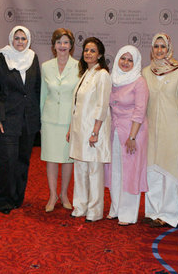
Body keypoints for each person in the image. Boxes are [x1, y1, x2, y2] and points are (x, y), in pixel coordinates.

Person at [0, 26, 41, 214]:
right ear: (11, 39)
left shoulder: (32, 58)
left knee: (23, 161)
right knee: (7, 161)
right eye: (17, 38)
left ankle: (18, 198)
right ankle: (3, 200)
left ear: (28, 40)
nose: (20, 42)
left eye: (23, 39)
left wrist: (36, 119)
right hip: (6, 120)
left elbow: (36, 89)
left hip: (28, 121)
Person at [142, 33, 178, 227]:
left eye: (163, 46)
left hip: (173, 129)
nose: (159, 50)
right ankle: (152, 211)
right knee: (152, 170)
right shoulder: (145, 72)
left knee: (170, 171)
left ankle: (169, 214)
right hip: (151, 128)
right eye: (156, 47)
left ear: (169, 48)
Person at [67, 37, 111, 222]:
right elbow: (76, 105)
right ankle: (80, 206)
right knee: (80, 170)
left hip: (93, 131)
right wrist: (71, 129)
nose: (88, 53)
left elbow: (102, 105)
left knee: (94, 171)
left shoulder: (102, 75)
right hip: (79, 130)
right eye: (86, 50)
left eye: (92, 50)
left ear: (100, 54)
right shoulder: (85, 73)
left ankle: (94, 210)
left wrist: (95, 131)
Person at [104, 45, 149, 226]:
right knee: (115, 170)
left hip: (133, 133)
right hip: (115, 131)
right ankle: (115, 207)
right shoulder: (113, 79)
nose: (125, 63)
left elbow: (140, 110)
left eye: (130, 60)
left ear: (136, 62)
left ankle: (128, 213)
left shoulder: (139, 82)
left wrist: (132, 137)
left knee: (130, 172)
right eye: (123, 58)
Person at [40, 28, 79, 212]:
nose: (62, 46)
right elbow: (43, 95)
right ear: (53, 45)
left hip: (68, 121)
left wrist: (75, 123)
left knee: (67, 160)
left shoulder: (79, 67)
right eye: (59, 42)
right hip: (49, 120)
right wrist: (41, 120)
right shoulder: (46, 66)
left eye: (66, 42)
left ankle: (64, 194)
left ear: (71, 46)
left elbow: (78, 98)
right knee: (51, 159)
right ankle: (52, 195)